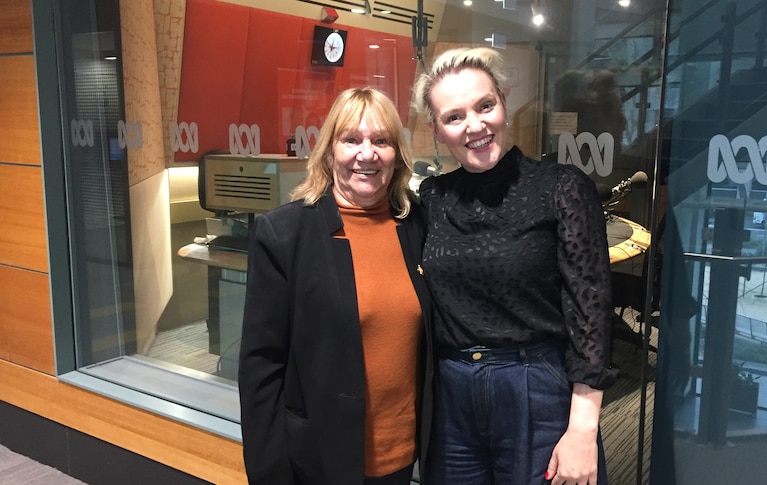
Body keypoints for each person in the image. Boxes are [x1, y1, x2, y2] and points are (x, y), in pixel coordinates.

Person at [411, 47, 618, 485]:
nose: (475, 125)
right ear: (436, 129)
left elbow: (591, 313)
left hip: (537, 388)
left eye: (485, 106)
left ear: (504, 101)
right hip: (450, 397)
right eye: (454, 116)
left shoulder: (561, 187)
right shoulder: (431, 198)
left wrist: (583, 428)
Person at [238, 87, 433, 484]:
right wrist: (269, 473)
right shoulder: (284, 233)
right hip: (318, 461)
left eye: (381, 140)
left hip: (401, 456)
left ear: (397, 156)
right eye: (351, 139)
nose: (367, 154)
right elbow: (262, 366)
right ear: (329, 152)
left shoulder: (417, 226)